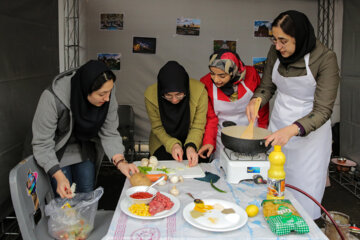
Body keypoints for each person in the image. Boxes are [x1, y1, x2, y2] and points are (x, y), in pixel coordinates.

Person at [246, 10, 340, 219]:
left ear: (301, 37)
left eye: (283, 41)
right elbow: (267, 86)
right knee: (274, 183)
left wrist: (293, 129)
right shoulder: (276, 53)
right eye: (274, 39)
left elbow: (323, 109)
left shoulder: (325, 59)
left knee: (303, 193)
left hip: (310, 136)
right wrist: (257, 99)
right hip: (279, 123)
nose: (277, 47)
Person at [31, 60, 138, 199]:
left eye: (109, 92)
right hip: (55, 151)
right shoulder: (52, 98)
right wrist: (58, 175)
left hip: (85, 146)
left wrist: (120, 162)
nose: (107, 98)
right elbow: (42, 144)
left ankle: (85, 221)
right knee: (64, 198)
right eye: (101, 94)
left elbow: (110, 132)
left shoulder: (107, 93)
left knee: (87, 193)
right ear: (86, 89)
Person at [198, 49, 269, 160]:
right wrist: (208, 142)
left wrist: (262, 135)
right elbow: (211, 119)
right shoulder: (206, 83)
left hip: (252, 133)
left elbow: (262, 109)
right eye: (212, 73)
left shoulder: (251, 75)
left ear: (233, 70)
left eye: (222, 75)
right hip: (223, 138)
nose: (216, 80)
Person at [144, 61, 208, 167]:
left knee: (197, 165)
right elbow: (158, 127)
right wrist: (173, 145)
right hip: (163, 141)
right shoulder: (150, 95)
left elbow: (198, 126)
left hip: (193, 138)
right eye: (168, 95)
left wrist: (191, 145)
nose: (174, 100)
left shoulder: (200, 92)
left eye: (179, 94)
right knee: (164, 166)